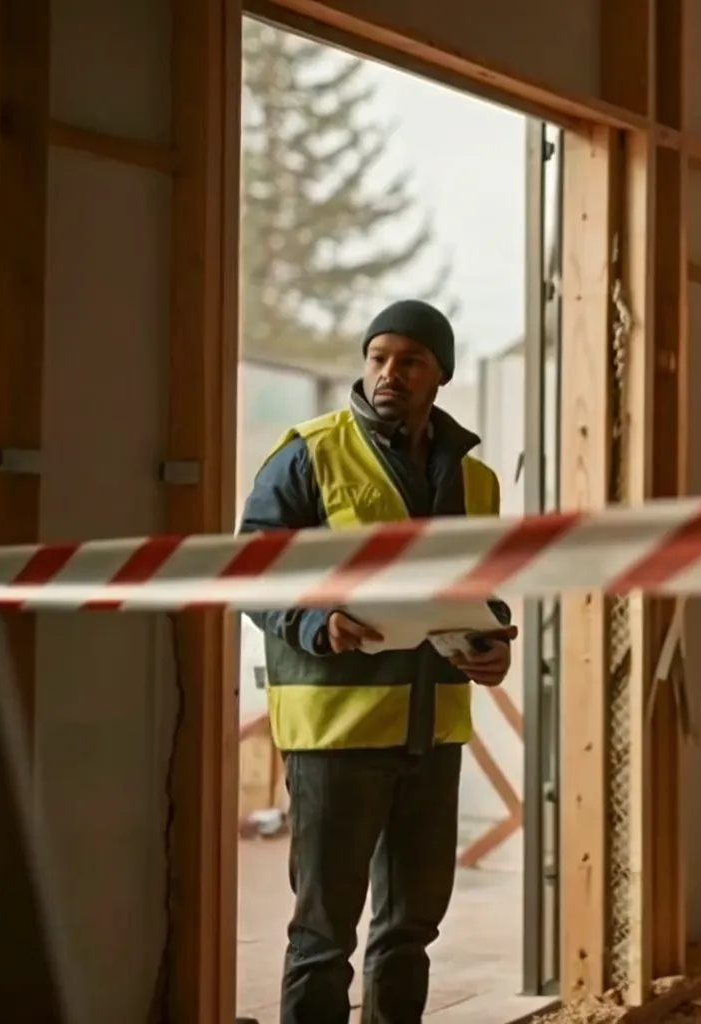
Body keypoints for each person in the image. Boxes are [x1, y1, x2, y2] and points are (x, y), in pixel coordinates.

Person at [239, 299, 514, 1024]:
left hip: (434, 730)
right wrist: (310, 621)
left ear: (440, 375)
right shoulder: (310, 453)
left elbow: (477, 595)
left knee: (410, 932)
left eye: (410, 360)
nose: (390, 371)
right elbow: (251, 574)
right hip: (338, 733)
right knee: (323, 938)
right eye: (378, 356)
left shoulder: (477, 482)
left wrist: (491, 645)